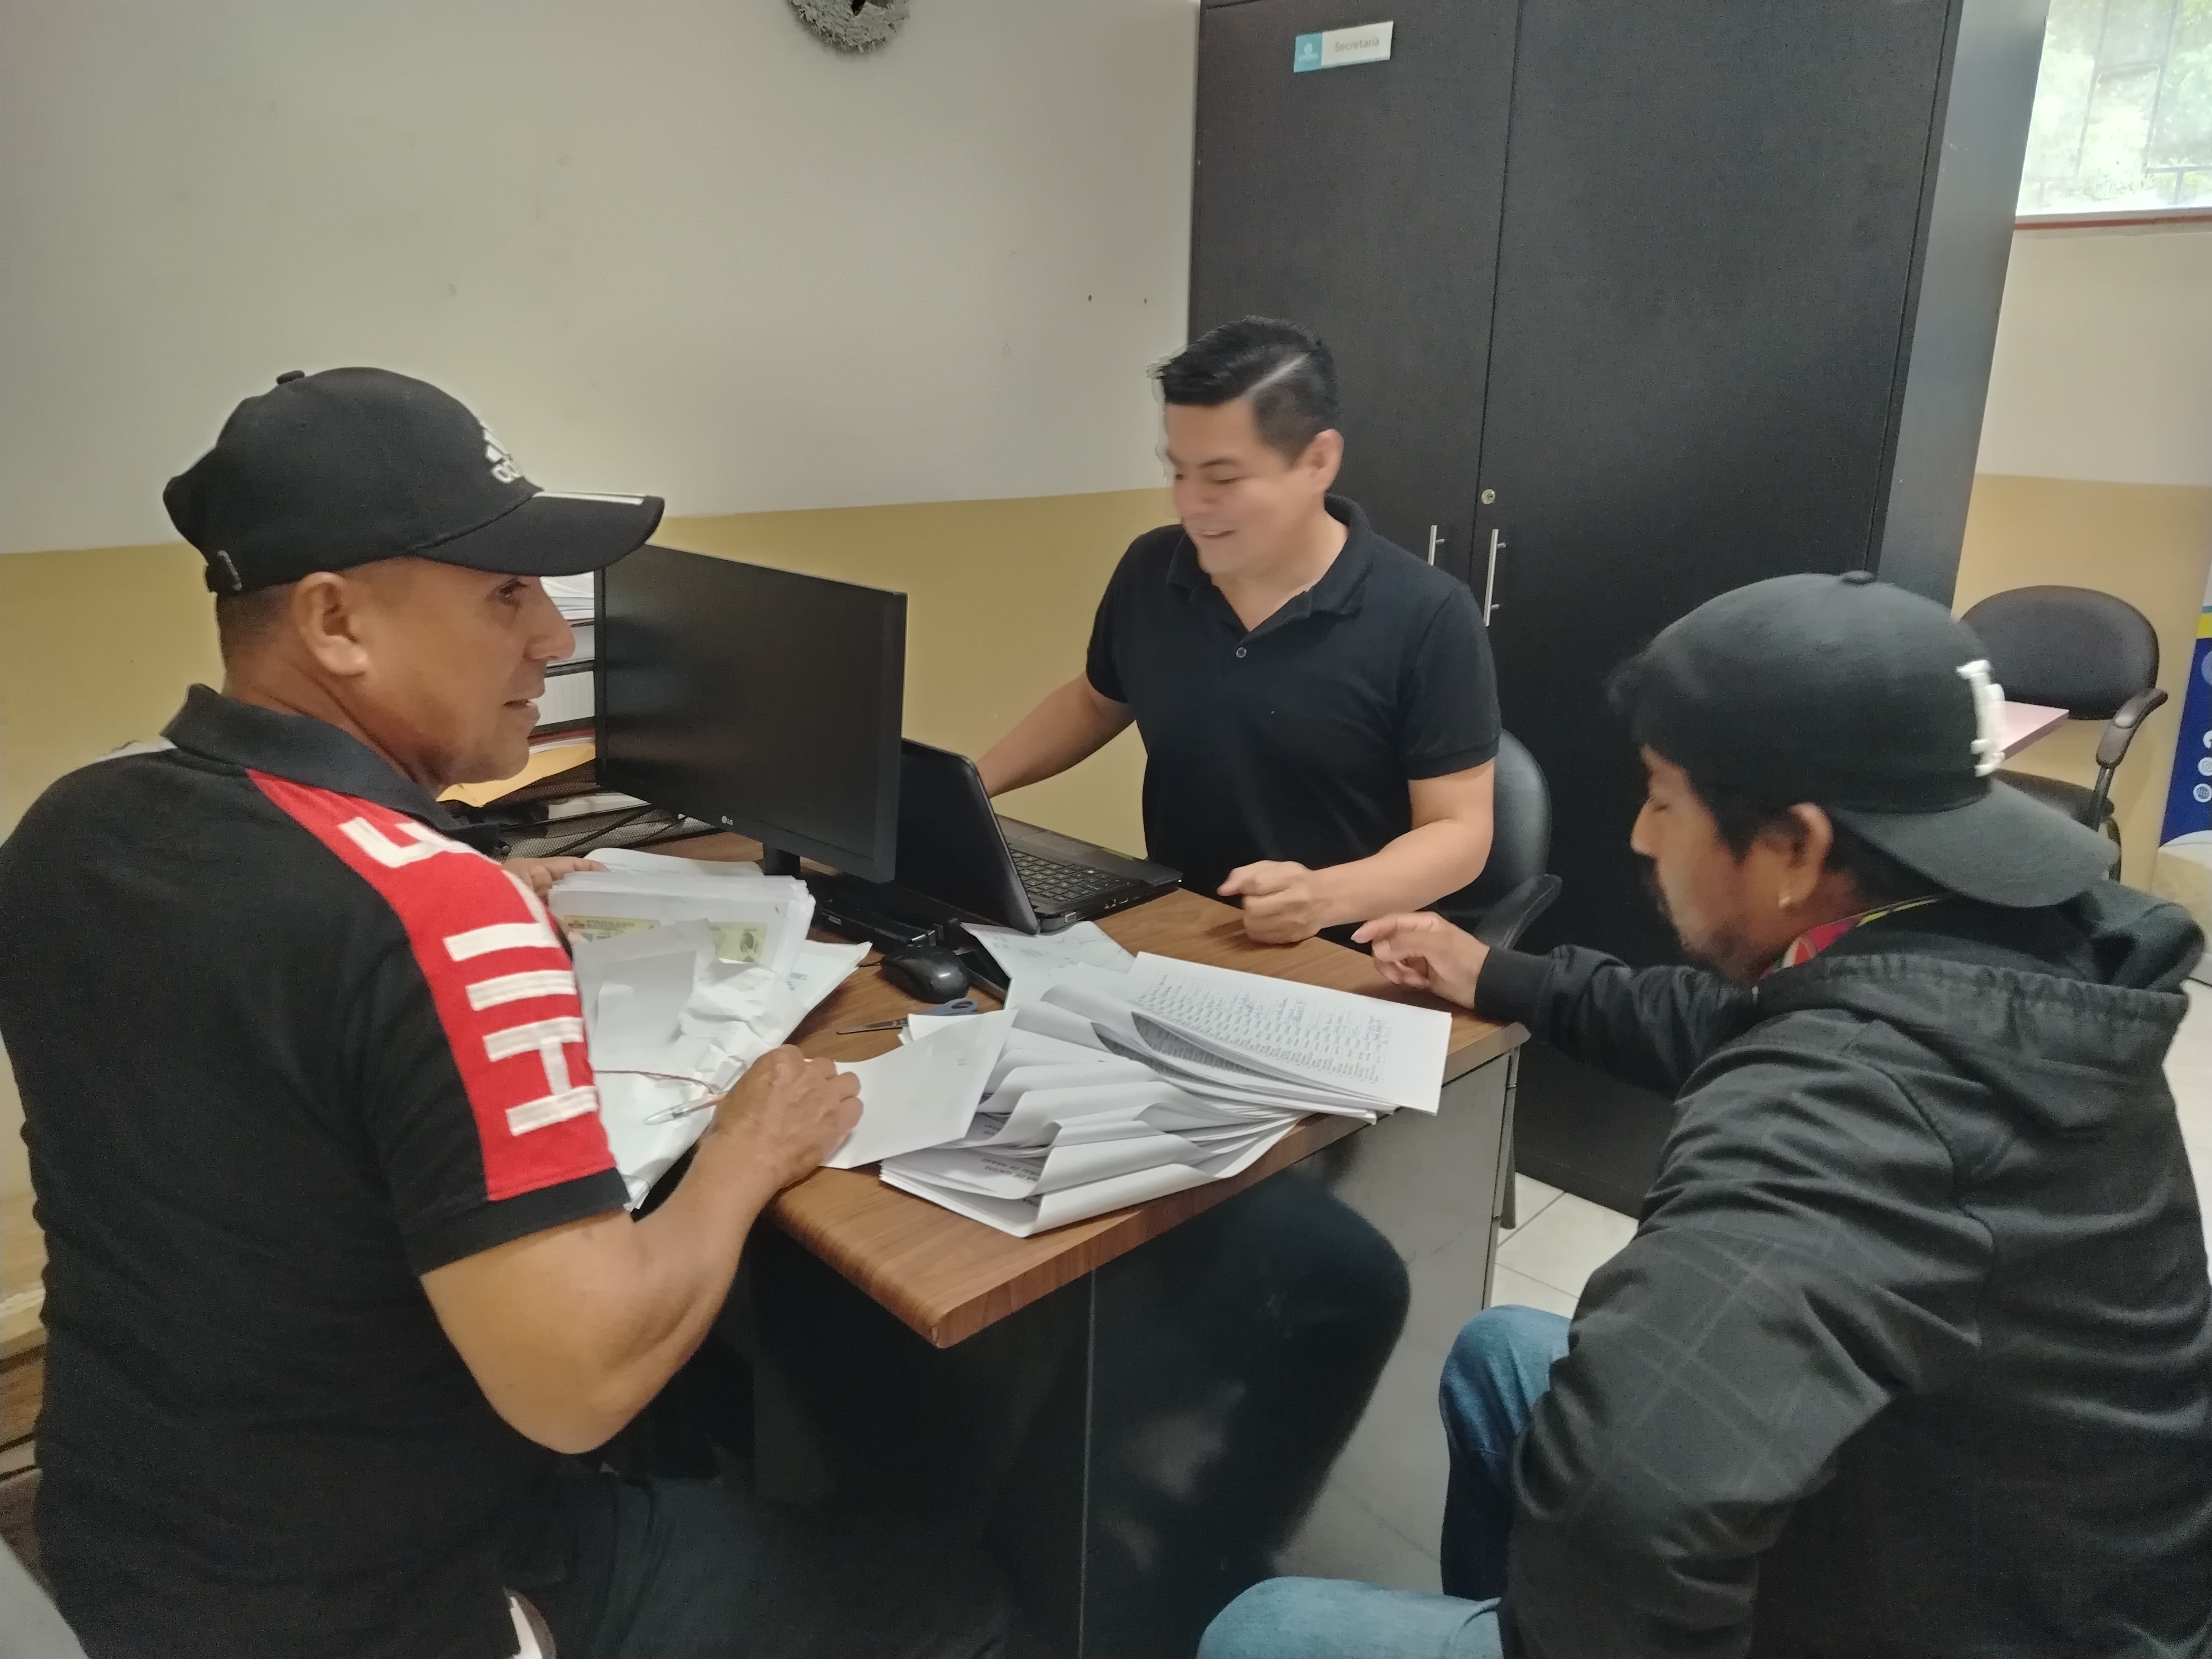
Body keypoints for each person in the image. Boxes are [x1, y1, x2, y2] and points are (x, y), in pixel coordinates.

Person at [0, 368, 1015, 1659]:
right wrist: (748, 1150)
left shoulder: (70, 829)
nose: (550, 636)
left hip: (125, 1539)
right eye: (502, 594)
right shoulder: (435, 916)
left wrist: (453, 891)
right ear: (335, 621)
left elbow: (251, 995)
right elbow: (578, 1385)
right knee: (958, 1609)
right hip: (396, 1601)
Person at [1201, 572, 2212, 1658]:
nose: (1642, 835)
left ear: (1795, 848)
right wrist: (1495, 974)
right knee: (1501, 1355)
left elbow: (1627, 1508)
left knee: (1268, 1632)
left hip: (1970, 1622)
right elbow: (1719, 1021)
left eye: (1662, 798)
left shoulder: (1844, 1109)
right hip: (1951, 1524)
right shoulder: (1986, 957)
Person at [977, 316, 1499, 944]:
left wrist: (1324, 898)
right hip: (1182, 928)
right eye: (1179, 472)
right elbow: (1096, 701)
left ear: (1318, 461)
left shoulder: (1429, 614)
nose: (1189, 504)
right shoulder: (1152, 569)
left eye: (1223, 479)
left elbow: (1460, 833)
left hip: (1346, 952)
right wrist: (969, 788)